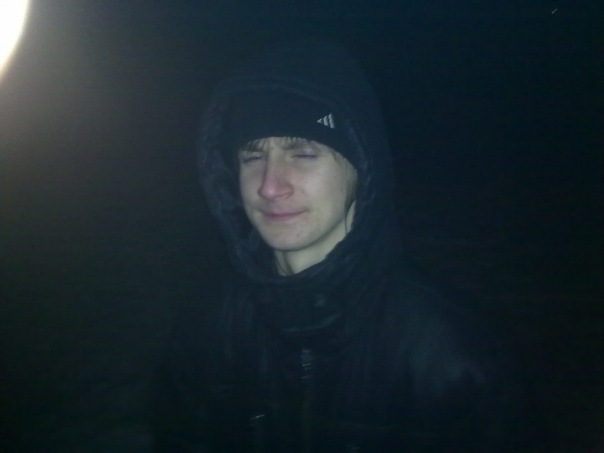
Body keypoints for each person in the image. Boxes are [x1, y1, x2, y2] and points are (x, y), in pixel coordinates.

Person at [153, 40, 524, 452]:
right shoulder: (207, 330)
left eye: (303, 153)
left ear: (361, 167)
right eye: (252, 156)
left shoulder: (453, 356)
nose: (270, 186)